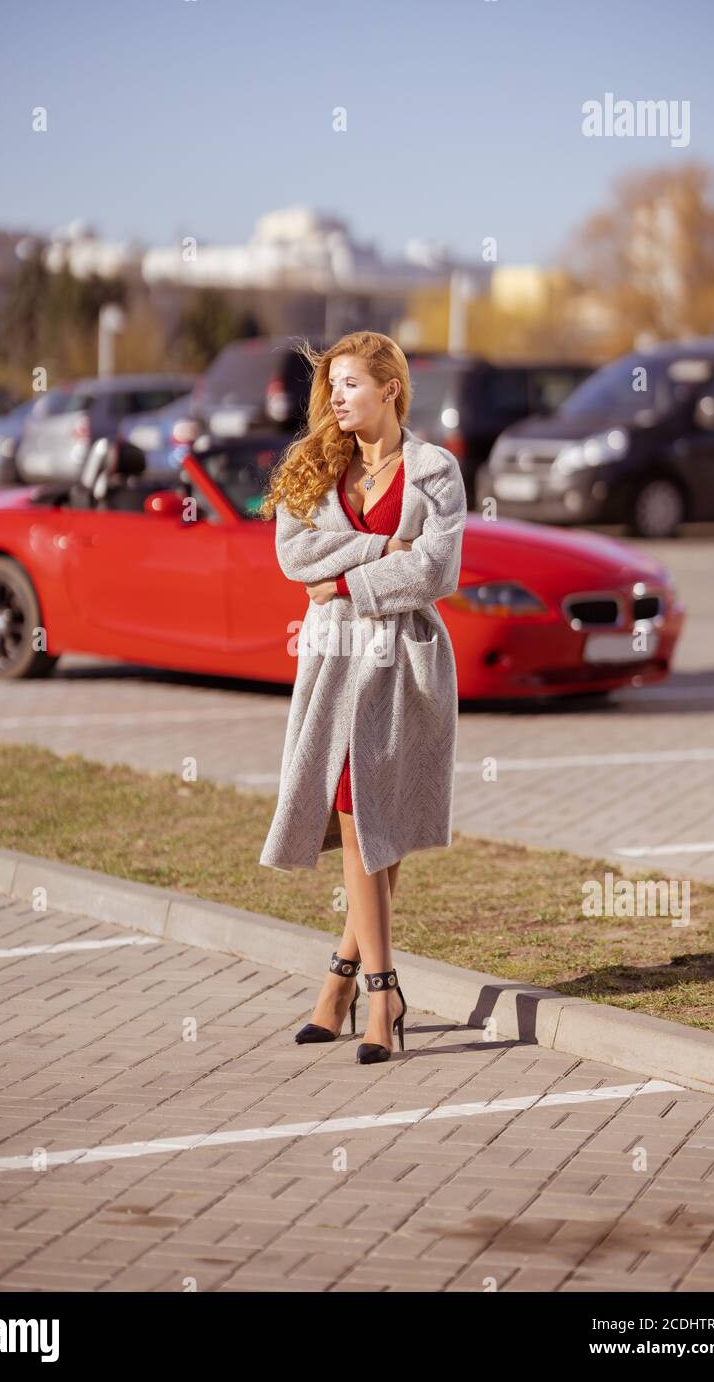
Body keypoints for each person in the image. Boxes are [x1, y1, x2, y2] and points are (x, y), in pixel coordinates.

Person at [258, 331, 467, 1062]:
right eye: (332, 386)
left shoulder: (435, 469)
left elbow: (438, 571)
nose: (337, 398)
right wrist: (381, 551)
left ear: (390, 389)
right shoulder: (314, 464)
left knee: (371, 816)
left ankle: (346, 986)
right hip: (335, 661)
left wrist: (344, 580)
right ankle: (379, 991)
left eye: (350, 384)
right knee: (355, 811)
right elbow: (295, 556)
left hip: (404, 665)